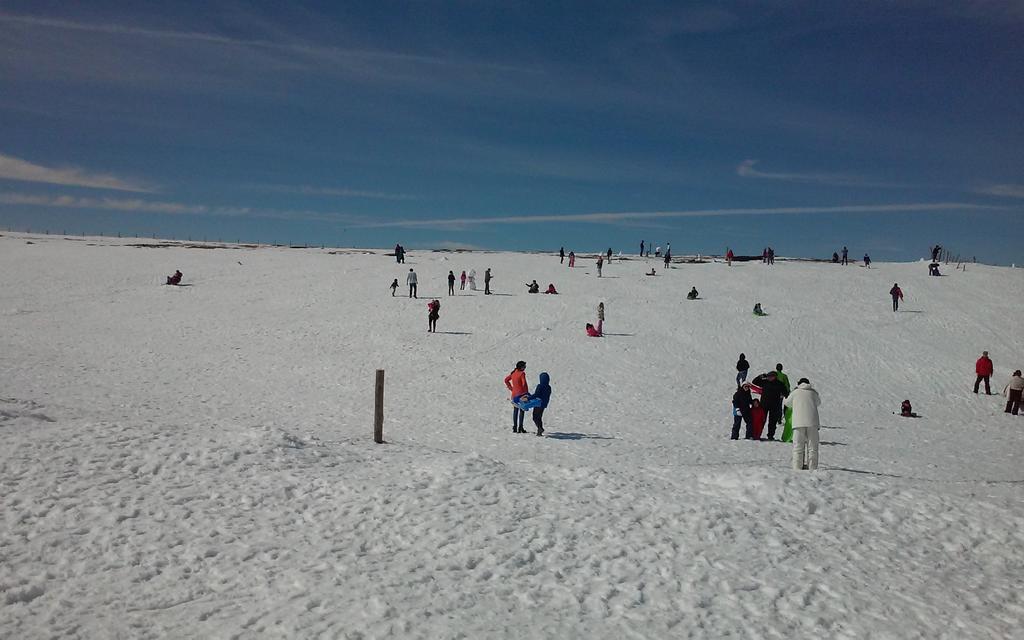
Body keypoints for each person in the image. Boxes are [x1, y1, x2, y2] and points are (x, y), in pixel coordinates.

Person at [785, 378, 821, 470]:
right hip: (812, 422)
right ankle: (812, 467)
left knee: (798, 446)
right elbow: (818, 403)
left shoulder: (795, 392)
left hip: (798, 422)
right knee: (812, 447)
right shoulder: (813, 392)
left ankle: (797, 467)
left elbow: (787, 403)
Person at [751, 370, 785, 440]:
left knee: (772, 422)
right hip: (764, 405)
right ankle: (757, 434)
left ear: (775, 377)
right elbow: (754, 382)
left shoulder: (780, 384)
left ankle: (770, 435)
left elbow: (786, 392)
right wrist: (760, 376)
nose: (769, 378)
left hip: (774, 406)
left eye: (771, 376)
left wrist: (783, 395)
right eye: (768, 376)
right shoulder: (765, 382)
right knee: (761, 421)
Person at [504, 361, 529, 433]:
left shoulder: (513, 373)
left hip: (514, 395)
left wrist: (511, 388)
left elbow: (506, 380)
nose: (525, 368)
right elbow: (524, 384)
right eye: (524, 366)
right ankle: (520, 427)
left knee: (515, 411)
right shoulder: (522, 374)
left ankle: (514, 427)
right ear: (521, 367)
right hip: (521, 395)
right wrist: (526, 393)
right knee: (522, 411)